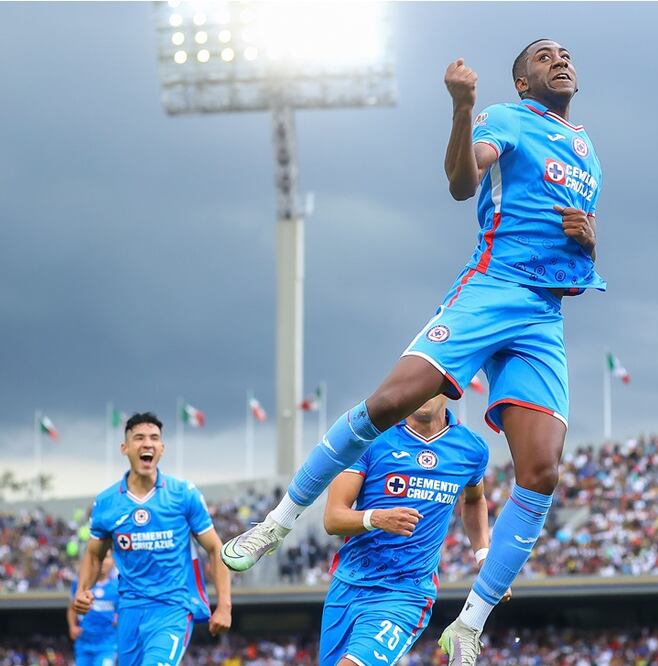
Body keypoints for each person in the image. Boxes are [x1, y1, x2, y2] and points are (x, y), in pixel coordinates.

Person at [221, 37, 602, 666]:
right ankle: (280, 520)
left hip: (544, 316)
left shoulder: (588, 150)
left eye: (565, 52)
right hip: (492, 290)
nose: (559, 58)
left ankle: (470, 623)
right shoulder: (507, 119)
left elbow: (578, 250)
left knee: (541, 472)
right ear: (524, 83)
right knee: (389, 402)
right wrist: (462, 108)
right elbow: (461, 184)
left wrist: (592, 241)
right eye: (542, 56)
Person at [318, 395, 505, 665]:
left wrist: (483, 554)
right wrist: (376, 519)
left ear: (452, 390)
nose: (423, 393)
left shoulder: (471, 448)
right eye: (418, 385)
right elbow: (333, 519)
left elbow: (474, 499)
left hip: (406, 593)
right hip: (348, 585)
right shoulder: (371, 439)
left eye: (433, 386)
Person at [75, 412, 232, 665]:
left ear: (161, 448)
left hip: (173, 608)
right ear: (125, 448)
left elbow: (216, 549)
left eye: (154, 438)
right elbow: (94, 554)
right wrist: (83, 590)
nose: (147, 443)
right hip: (129, 610)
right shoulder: (107, 503)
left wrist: (224, 605)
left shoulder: (183, 494)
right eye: (139, 438)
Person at [67, 549, 119, 666]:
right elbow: (72, 608)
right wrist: (72, 626)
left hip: (107, 644)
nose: (103, 561)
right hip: (84, 643)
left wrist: (119, 619)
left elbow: (123, 611)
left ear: (113, 561)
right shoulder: (81, 583)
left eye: (107, 558)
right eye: (100, 557)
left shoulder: (118, 585)